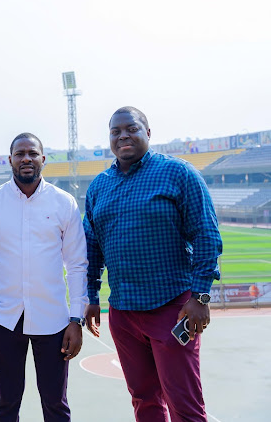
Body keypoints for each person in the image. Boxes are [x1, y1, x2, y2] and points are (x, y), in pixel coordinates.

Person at [84, 106, 222, 422]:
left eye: (131, 128)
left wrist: (200, 296)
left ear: (148, 132)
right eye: (115, 131)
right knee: (144, 400)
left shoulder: (179, 173)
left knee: (184, 404)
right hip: (123, 312)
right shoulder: (99, 186)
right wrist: (90, 297)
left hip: (171, 308)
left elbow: (206, 234)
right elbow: (92, 248)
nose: (123, 136)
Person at [0, 133, 88, 422]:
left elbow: (77, 264)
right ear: (10, 160)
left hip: (54, 319)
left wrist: (75, 318)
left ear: (43, 158)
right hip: (5, 318)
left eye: (32, 153)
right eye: (20, 154)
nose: (26, 159)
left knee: (56, 404)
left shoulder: (63, 203)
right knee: (6, 404)